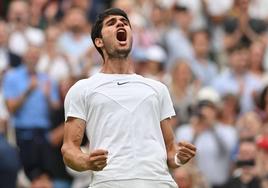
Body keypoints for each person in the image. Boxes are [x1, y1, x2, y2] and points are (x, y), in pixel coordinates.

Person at [61, 8, 196, 188]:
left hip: (159, 183)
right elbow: (69, 149)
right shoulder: (82, 89)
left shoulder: (158, 88)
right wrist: (87, 162)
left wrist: (179, 158)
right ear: (99, 41)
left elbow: (171, 150)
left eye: (124, 22)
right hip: (109, 184)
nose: (120, 24)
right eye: (111, 23)